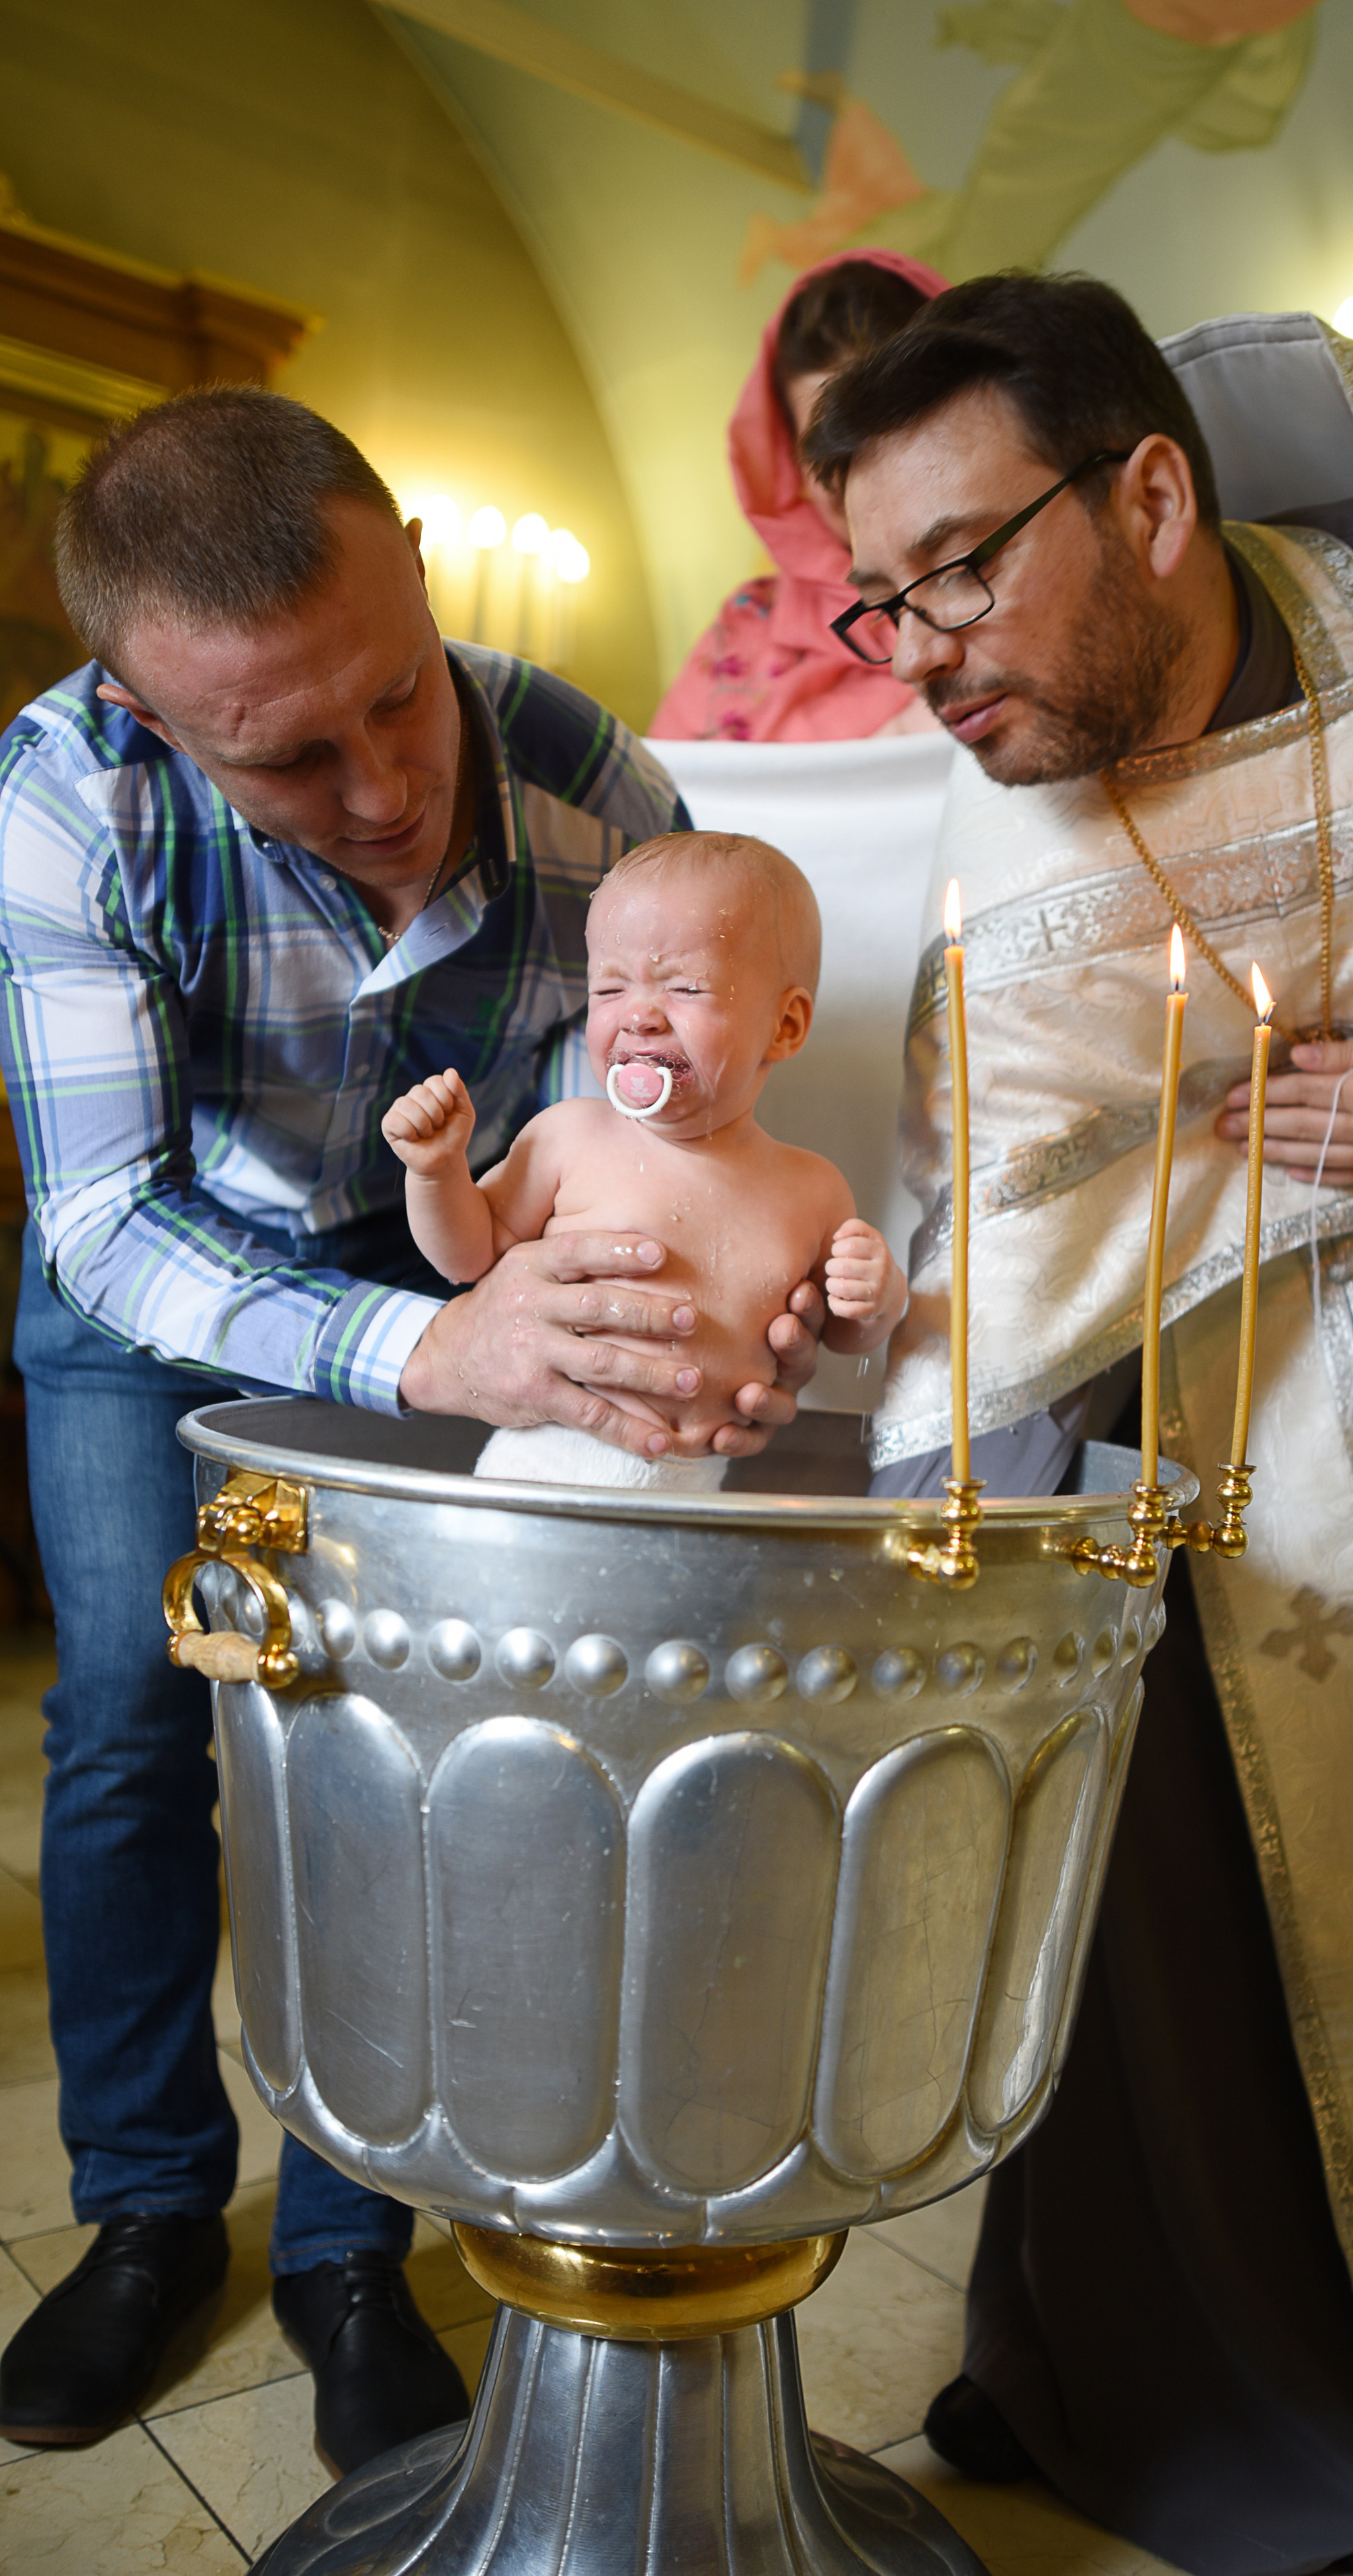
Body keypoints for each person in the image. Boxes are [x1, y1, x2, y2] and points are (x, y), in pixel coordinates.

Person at [803, 275, 1353, 2574]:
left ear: (1149, 494)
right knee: (1186, 1899)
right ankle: (1250, 2397)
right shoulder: (1016, 833)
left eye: (965, 567)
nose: (920, 652)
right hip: (1232, 1432)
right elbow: (1005, 1200)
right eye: (878, 599)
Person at [0, 388, 821, 2473]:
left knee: (384, 1729)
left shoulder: (585, 779)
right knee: (131, 1718)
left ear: (421, 579)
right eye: (290, 754)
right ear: (151, 712)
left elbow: (653, 1143)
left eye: (397, 697)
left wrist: (738, 1312)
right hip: (149, 1302)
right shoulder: (59, 804)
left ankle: (355, 2241)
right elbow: (104, 1216)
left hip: (453, 1270)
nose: (384, 788)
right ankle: (146, 2214)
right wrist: (413, 1354)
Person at [383, 830, 906, 1488]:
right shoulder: (570, 1137)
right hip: (545, 1466)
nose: (639, 1016)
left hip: (693, 1491)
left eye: (684, 987)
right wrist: (435, 1172)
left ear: (786, 1027)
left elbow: (840, 1338)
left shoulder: (812, 1190)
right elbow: (465, 1258)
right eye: (608, 991)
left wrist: (878, 1299)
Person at [650, 251, 947, 743]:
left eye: (897, 425)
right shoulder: (747, 630)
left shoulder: (1025, 586)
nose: (863, 470)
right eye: (827, 441)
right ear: (791, 462)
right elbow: (664, 809)